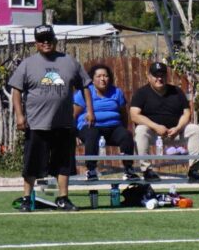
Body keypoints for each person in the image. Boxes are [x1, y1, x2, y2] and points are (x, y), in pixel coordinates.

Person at [7, 25, 87, 211]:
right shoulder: (27, 64)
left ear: (55, 40)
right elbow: (16, 90)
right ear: (36, 43)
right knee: (32, 164)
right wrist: (20, 115)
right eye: (41, 40)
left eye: (49, 39)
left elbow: (84, 85)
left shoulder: (69, 61)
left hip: (63, 123)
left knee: (63, 164)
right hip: (37, 123)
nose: (46, 43)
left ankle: (63, 198)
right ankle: (27, 198)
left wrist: (86, 110)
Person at [127, 61, 199, 182]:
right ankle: (147, 170)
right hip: (153, 133)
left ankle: (193, 170)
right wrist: (155, 126)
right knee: (140, 130)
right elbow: (134, 115)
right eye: (156, 75)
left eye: (162, 75)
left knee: (195, 129)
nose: (159, 78)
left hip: (175, 132)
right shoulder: (141, 93)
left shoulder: (176, 91)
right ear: (149, 77)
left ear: (166, 76)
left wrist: (178, 128)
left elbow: (186, 113)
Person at [73, 63, 128, 180]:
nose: (102, 79)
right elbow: (73, 114)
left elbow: (124, 114)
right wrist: (74, 133)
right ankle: (91, 169)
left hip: (113, 128)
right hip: (90, 127)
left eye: (105, 76)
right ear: (92, 79)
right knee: (92, 134)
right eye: (98, 76)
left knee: (126, 135)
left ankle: (128, 169)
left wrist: (124, 127)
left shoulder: (117, 92)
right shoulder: (85, 93)